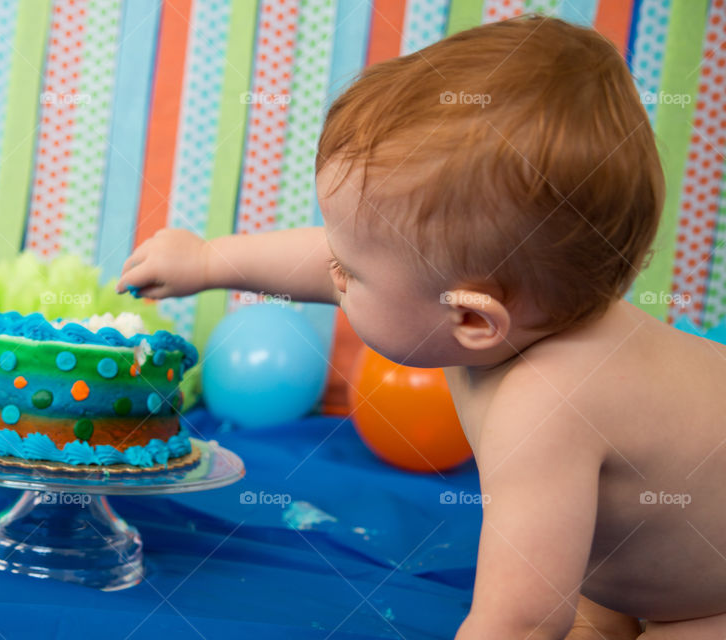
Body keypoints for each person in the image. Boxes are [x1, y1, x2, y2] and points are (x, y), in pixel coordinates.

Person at [118, 15, 726, 639]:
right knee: (595, 614)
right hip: (644, 570)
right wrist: (209, 260)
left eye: (350, 270)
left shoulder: (546, 402)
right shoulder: (522, 306)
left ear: (470, 318)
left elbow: (519, 623)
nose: (332, 272)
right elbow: (321, 261)